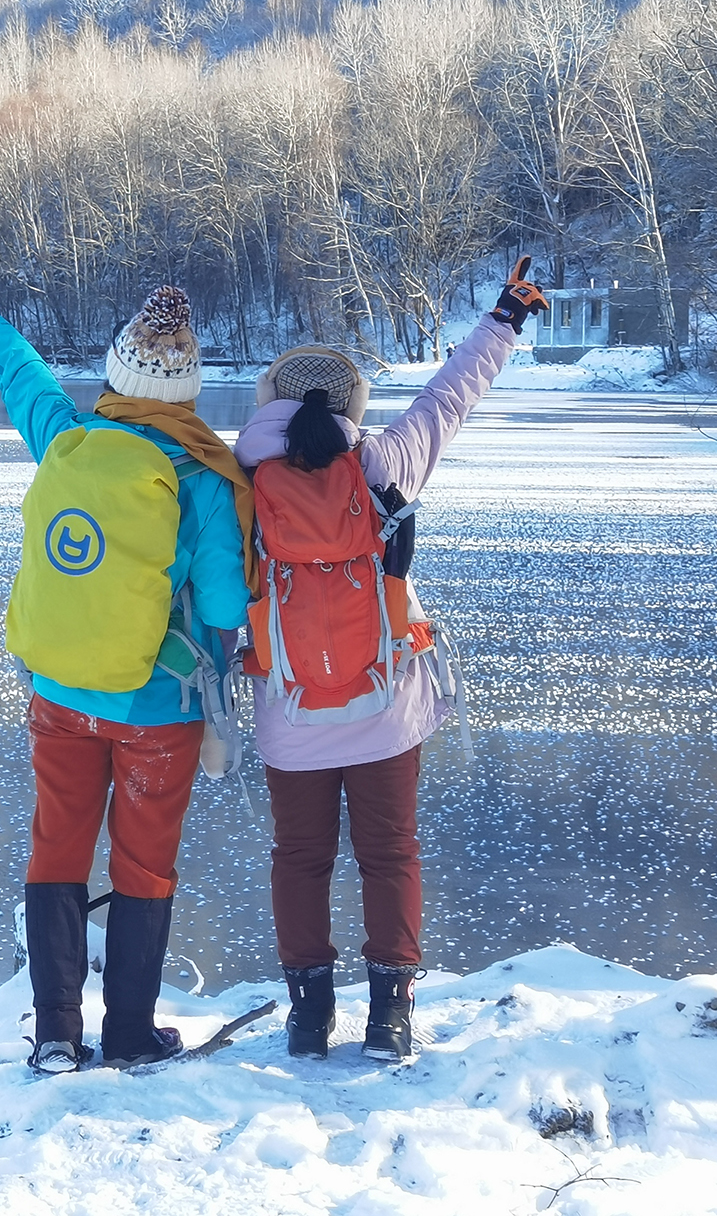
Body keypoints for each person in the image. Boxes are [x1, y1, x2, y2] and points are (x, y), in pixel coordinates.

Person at [0, 253, 255, 1072]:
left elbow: (19, 368)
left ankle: (58, 1035)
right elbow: (220, 609)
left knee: (56, 849)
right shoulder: (204, 478)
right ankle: (131, 1033)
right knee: (143, 864)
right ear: (188, 389)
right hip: (158, 711)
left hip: (60, 693)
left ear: (114, 373)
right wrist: (225, 674)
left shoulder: (67, 440)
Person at [232, 257, 549, 1062]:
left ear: (270, 405)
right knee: (391, 854)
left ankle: (308, 1019)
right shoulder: (383, 466)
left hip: (289, 712)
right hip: (384, 704)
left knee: (299, 861)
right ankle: (390, 1017)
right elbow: (452, 395)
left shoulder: (236, 484)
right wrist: (505, 316)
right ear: (351, 406)